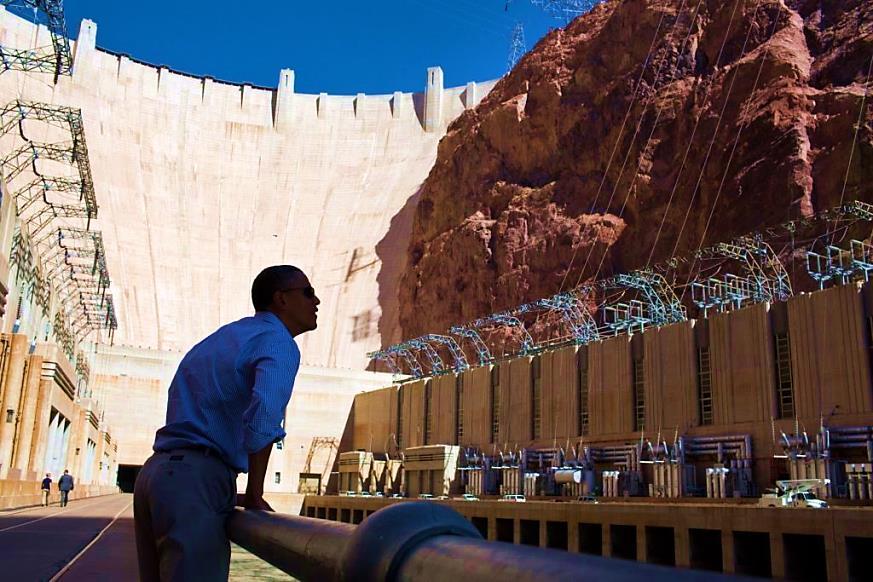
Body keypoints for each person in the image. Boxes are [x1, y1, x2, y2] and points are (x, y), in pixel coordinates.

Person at [133, 265, 319, 582]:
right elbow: (264, 414)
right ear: (281, 299)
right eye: (308, 292)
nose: (316, 301)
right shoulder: (278, 342)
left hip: (155, 476)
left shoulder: (226, 336)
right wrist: (255, 492)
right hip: (197, 481)